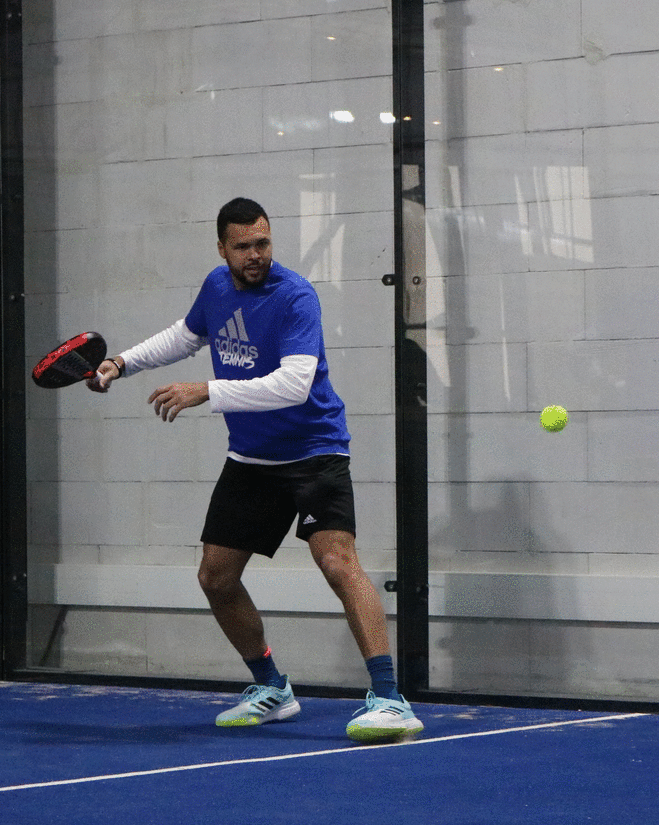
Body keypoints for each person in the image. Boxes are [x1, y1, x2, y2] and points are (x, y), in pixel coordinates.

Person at [87, 197, 423, 742]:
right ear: (222, 248)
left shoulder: (295, 296)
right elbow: (184, 336)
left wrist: (208, 391)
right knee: (216, 577)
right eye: (243, 246)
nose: (255, 255)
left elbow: (294, 384)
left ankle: (389, 699)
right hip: (251, 460)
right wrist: (121, 363)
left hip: (315, 452)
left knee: (337, 562)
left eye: (262, 243)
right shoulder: (216, 288)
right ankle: (272, 688)